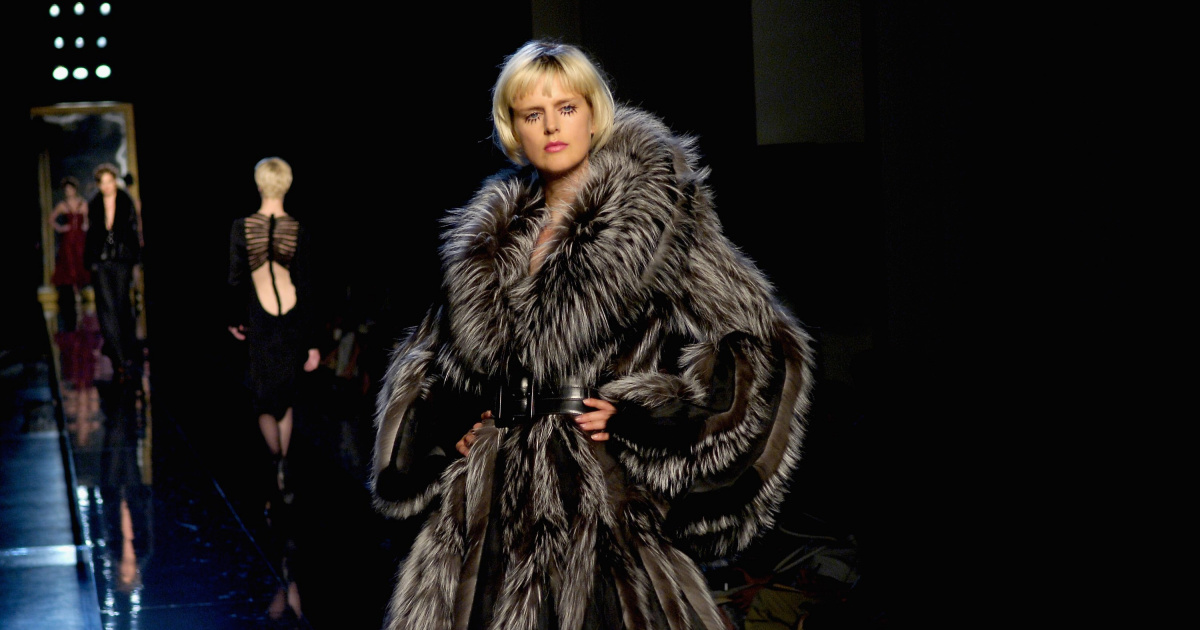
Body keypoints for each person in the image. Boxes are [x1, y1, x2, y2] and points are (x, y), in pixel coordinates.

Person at [370, 40, 815, 630]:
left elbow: (757, 343)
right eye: (533, 113)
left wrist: (651, 419)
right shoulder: (482, 243)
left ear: (593, 112)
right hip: (484, 505)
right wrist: (444, 432)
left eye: (567, 108)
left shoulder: (657, 222)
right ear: (513, 128)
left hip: (599, 498)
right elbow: (425, 362)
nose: (552, 126)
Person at [227, 157, 321, 507]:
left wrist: (234, 319)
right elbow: (306, 286)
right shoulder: (296, 228)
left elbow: (235, 279)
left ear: (259, 184)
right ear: (287, 184)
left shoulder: (242, 228)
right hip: (291, 320)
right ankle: (284, 463)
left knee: (265, 397)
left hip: (261, 320)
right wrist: (312, 343)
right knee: (284, 396)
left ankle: (276, 460)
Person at [83, 163, 143, 382]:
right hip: (101, 260)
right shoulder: (94, 204)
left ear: (115, 181)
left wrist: (135, 257)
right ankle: (118, 355)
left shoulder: (126, 201)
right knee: (106, 306)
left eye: (110, 181)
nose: (107, 186)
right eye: (103, 182)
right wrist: (91, 259)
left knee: (121, 304)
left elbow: (132, 230)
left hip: (122, 259)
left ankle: (126, 349)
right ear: (99, 185)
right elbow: (91, 233)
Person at [49, 175, 90, 333]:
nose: (68, 192)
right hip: (68, 241)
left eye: (70, 189)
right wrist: (61, 228)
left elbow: (88, 220)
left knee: (79, 266)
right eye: (66, 190)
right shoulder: (62, 205)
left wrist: (85, 226)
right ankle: (72, 303)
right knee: (69, 267)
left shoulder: (82, 203)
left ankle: (80, 300)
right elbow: (51, 219)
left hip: (79, 240)